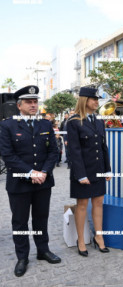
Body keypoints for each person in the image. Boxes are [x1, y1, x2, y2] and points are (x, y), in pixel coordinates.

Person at [0, 85, 60, 277]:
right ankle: (22, 257)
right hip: (19, 182)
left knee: (41, 218)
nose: (33, 105)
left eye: (35, 101)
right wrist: (30, 172)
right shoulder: (7, 125)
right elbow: (8, 156)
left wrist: (43, 171)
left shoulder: (45, 124)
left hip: (43, 181)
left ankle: (43, 250)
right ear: (19, 105)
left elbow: (53, 152)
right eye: (29, 102)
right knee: (20, 222)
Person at [67, 87, 112, 257]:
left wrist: (107, 169)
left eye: (97, 99)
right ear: (84, 100)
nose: (97, 102)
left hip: (98, 169)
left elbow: (103, 147)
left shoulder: (99, 121)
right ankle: (80, 240)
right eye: (93, 99)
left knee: (99, 202)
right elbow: (74, 151)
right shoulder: (74, 121)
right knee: (82, 205)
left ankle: (99, 237)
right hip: (83, 171)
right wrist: (80, 175)